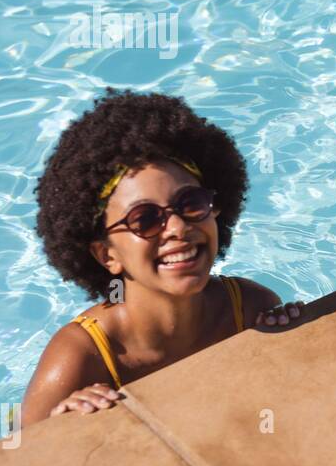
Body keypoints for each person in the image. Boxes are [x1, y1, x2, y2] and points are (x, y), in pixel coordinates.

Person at [21, 90, 301, 425]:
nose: (178, 228)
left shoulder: (250, 308)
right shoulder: (80, 358)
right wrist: (59, 421)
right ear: (107, 254)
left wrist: (295, 343)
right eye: (145, 219)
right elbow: (11, 459)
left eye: (191, 203)